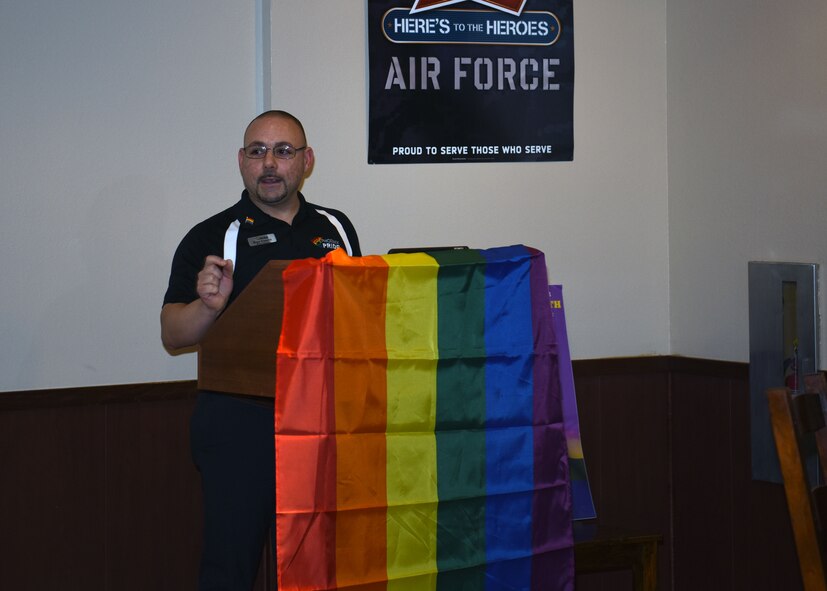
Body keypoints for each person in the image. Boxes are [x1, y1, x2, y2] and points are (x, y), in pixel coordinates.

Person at [161, 110, 361, 590]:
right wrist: (209, 307)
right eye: (258, 151)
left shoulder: (338, 228)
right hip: (239, 423)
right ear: (241, 161)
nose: (269, 163)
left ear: (306, 160)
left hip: (321, 420)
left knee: (323, 567)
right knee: (230, 567)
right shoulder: (212, 236)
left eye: (284, 151)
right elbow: (172, 334)